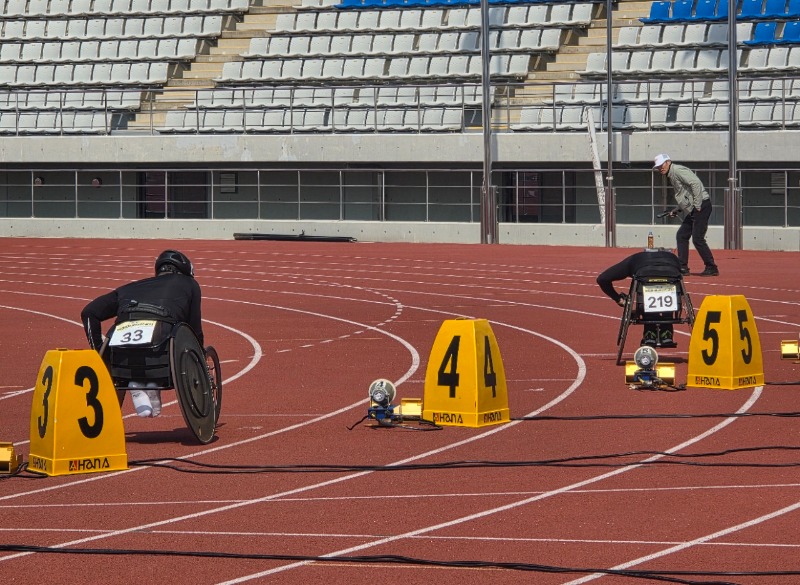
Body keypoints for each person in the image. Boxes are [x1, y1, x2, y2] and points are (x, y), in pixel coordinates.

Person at [81, 249, 203, 417]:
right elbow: (194, 328)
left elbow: (88, 313)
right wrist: (200, 357)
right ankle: (150, 383)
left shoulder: (128, 288)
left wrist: (100, 353)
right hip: (162, 354)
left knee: (127, 352)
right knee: (170, 336)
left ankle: (137, 384)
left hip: (121, 359)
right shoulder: (190, 284)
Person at [597, 248, 683, 348]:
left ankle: (649, 334)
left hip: (643, 279)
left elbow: (602, 279)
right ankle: (667, 333)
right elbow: (680, 287)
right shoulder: (674, 258)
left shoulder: (634, 259)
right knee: (669, 283)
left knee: (646, 286)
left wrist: (618, 299)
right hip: (671, 280)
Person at [653, 153, 719, 277]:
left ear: (668, 162)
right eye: (658, 167)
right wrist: (677, 209)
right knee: (682, 235)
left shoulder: (677, 170)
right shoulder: (671, 174)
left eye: (661, 165)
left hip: (701, 206)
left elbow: (695, 183)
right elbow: (684, 196)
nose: (660, 168)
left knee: (697, 238)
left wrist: (697, 204)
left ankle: (711, 267)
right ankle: (683, 267)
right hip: (695, 208)